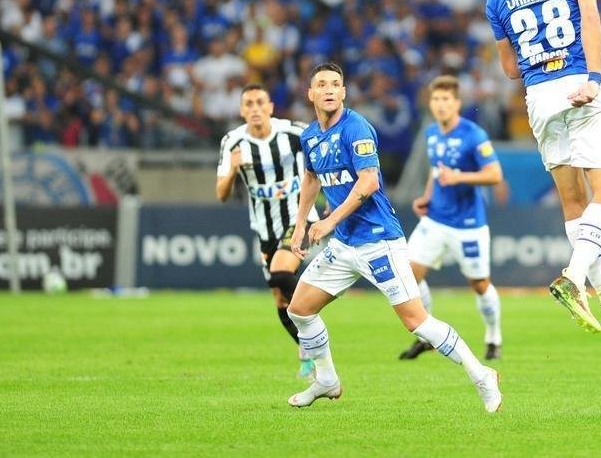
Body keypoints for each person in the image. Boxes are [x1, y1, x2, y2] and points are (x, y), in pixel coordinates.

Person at [284, 63, 501, 411]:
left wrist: (328, 221)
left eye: (335, 84)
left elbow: (369, 182)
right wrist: (300, 225)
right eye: (321, 84)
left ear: (343, 92)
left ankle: (481, 374)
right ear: (310, 94)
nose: (328, 89)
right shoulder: (310, 136)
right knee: (300, 310)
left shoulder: (356, 128)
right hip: (344, 244)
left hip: (379, 241)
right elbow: (310, 178)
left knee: (416, 322)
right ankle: (326, 380)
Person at [484, 0, 601, 337]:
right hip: (578, 83)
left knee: (574, 202)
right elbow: (589, 17)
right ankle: (572, 275)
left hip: (539, 96)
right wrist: (594, 77)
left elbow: (510, 68)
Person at [398, 75, 507, 361]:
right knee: (409, 274)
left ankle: (493, 337)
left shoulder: (474, 135)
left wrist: (459, 177)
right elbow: (438, 171)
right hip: (435, 220)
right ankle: (429, 335)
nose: (440, 105)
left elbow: (495, 175)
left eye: (446, 99)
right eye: (436, 99)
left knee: (480, 284)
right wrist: (427, 197)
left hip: (468, 224)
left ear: (457, 103)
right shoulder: (432, 133)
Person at [215, 84, 316, 380]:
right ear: (242, 111)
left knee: (281, 274)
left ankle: (315, 317)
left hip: (300, 219)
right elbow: (221, 194)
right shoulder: (233, 142)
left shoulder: (295, 133)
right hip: (265, 228)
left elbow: (323, 154)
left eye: (261, 102)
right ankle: (308, 351)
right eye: (249, 104)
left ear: (271, 107)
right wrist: (233, 170)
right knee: (280, 298)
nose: (255, 108)